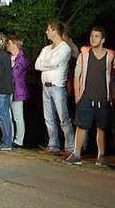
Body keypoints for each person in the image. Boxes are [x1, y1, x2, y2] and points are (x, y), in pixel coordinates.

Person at [63, 26, 114, 167]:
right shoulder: (84, 54)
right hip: (86, 96)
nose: (93, 38)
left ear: (102, 40)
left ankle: (101, 156)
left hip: (103, 98)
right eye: (92, 35)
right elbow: (76, 74)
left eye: (96, 36)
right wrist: (78, 94)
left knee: (102, 127)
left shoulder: (110, 57)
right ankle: (77, 154)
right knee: (81, 126)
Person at [35, 19, 75, 156]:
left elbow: (55, 62)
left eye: (48, 29)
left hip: (57, 86)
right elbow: (37, 65)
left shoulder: (64, 48)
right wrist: (49, 64)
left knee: (63, 117)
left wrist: (47, 63)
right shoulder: (46, 49)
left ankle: (70, 147)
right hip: (45, 86)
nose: (46, 32)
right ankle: (53, 145)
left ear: (54, 31)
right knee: (49, 117)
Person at [7, 36, 29, 148]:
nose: (7, 45)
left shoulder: (22, 60)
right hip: (9, 89)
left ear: (15, 45)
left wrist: (9, 68)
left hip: (18, 90)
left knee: (18, 116)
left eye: (9, 43)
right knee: (8, 115)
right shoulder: (10, 57)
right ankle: (9, 137)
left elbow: (14, 74)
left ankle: (19, 140)